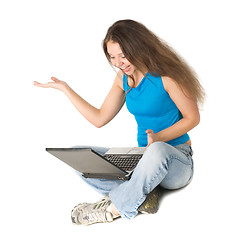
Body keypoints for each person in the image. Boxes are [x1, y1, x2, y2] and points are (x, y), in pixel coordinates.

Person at [34, 19, 205, 225]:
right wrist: (66, 89)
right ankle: (143, 193)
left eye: (123, 56)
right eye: (112, 57)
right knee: (79, 155)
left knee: (158, 150)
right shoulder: (123, 79)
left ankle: (112, 210)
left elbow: (193, 118)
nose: (118, 62)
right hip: (143, 160)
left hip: (176, 160)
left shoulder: (167, 77)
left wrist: (158, 138)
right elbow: (99, 118)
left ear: (139, 48)